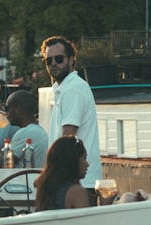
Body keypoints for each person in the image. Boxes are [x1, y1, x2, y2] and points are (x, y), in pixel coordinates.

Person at [42, 36, 102, 193]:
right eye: (49, 61)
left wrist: (47, 177)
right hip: (77, 180)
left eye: (59, 59)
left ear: (71, 60)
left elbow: (67, 138)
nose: (53, 63)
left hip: (76, 182)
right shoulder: (65, 89)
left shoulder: (72, 90)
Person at [35, 136, 90, 211]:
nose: (87, 164)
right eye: (84, 158)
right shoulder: (77, 192)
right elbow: (89, 222)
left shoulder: (43, 186)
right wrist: (105, 204)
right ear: (73, 160)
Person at [5, 90, 49, 168]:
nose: (6, 114)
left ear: (18, 109)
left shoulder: (24, 133)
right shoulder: (40, 131)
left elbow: (5, 165)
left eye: (7, 108)